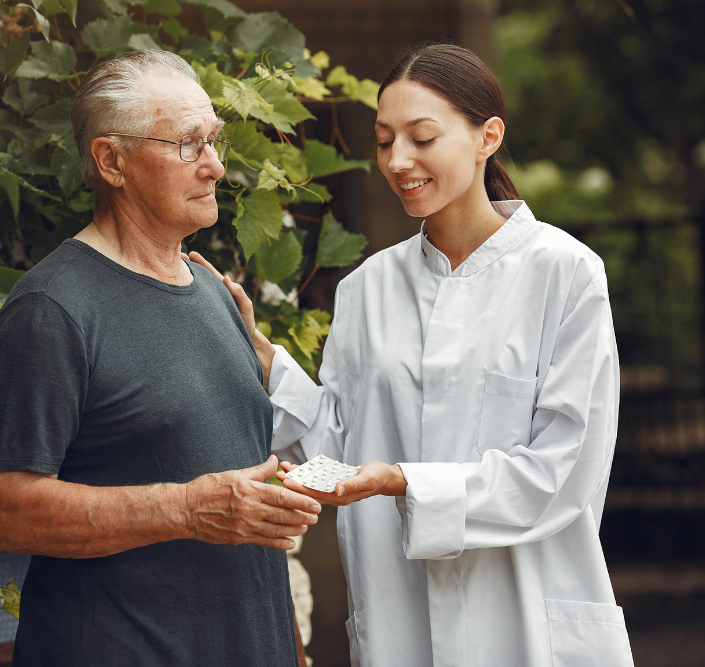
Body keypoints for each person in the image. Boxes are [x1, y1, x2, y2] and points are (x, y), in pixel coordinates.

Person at [193, 43, 634, 667]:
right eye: (383, 141)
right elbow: (339, 452)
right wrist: (263, 357)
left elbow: (559, 472)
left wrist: (404, 481)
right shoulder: (366, 288)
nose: (398, 161)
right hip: (403, 623)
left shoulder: (564, 275)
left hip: (528, 623)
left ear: (488, 138)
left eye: (422, 138)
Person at [0, 50, 320, 667]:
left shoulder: (213, 290)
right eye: (187, 144)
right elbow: (6, 511)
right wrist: (185, 509)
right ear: (111, 161)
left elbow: (244, 507)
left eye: (215, 141)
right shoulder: (51, 310)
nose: (213, 166)